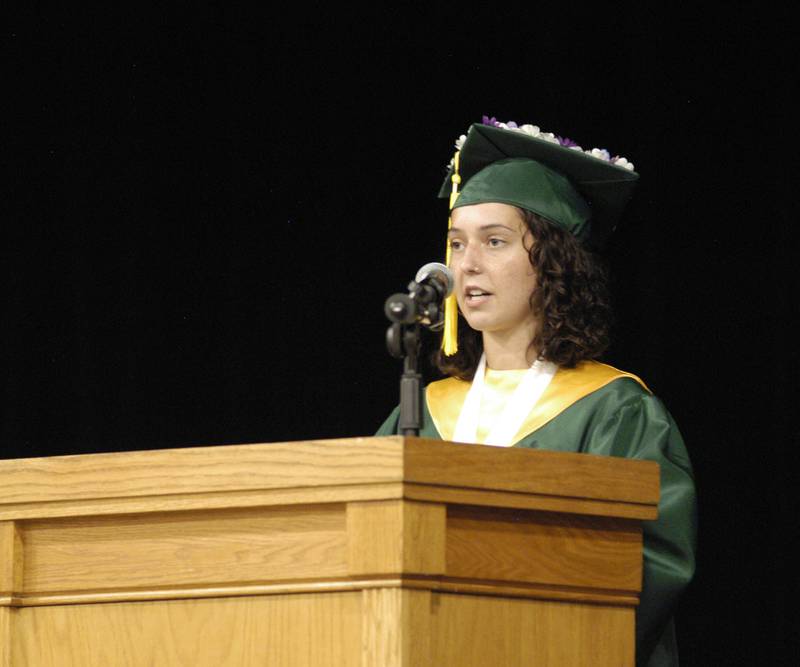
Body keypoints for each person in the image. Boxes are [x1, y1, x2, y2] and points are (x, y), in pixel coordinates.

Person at [376, 118, 697, 667]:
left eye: (494, 241)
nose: (466, 265)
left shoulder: (615, 410)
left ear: (552, 262)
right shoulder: (423, 413)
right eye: (456, 243)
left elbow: (650, 564)